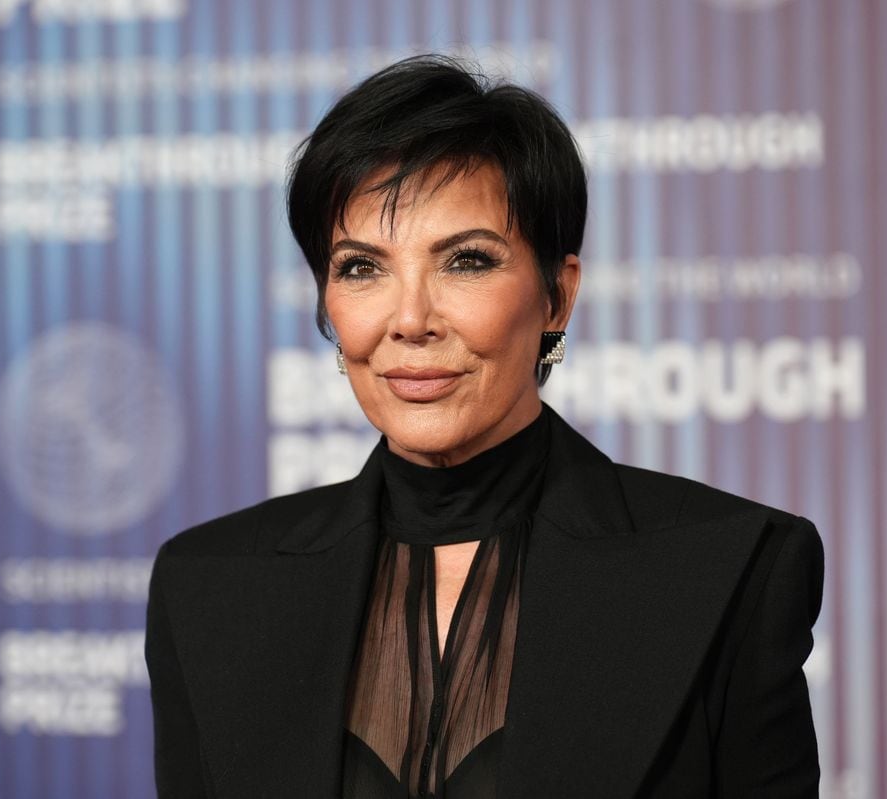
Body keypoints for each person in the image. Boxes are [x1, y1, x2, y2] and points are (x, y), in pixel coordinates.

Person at [145, 55, 824, 799]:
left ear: (557, 297)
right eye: (362, 268)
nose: (409, 321)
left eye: (466, 261)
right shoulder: (208, 590)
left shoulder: (731, 570)